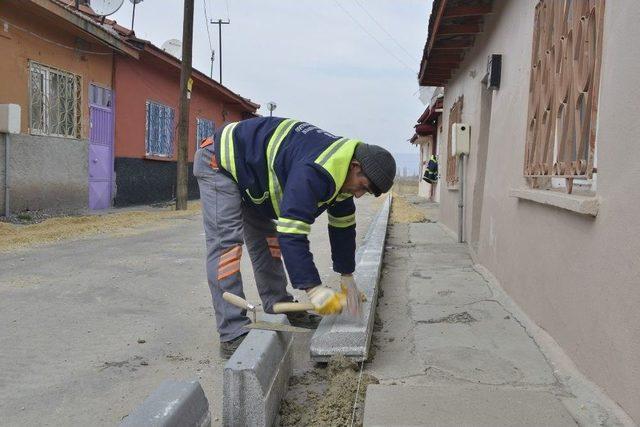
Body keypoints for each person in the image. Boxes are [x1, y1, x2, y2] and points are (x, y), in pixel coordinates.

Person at [193, 117, 396, 358]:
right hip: (220, 162)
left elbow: (343, 227)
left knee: (269, 244)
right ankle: (232, 331)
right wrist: (314, 289)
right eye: (362, 186)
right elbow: (292, 232)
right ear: (355, 166)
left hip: (252, 175)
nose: (360, 195)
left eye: (367, 192)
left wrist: (347, 276)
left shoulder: (343, 176)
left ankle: (280, 306)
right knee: (226, 246)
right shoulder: (315, 170)